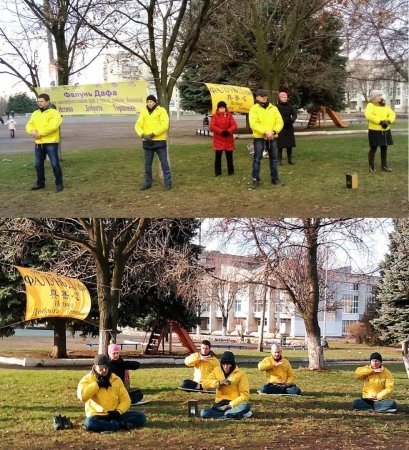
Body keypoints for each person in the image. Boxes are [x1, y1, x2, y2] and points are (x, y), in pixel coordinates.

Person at [77, 354, 147, 432]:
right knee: (89, 423)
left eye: (106, 368)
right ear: (94, 367)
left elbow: (126, 400)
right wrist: (97, 385)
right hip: (96, 415)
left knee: (141, 417)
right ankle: (119, 425)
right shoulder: (87, 379)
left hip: (114, 414)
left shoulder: (115, 379)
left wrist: (118, 411)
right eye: (101, 368)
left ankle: (110, 425)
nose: (104, 370)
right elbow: (83, 397)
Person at [25, 93, 63, 192]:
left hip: (51, 143)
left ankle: (59, 184)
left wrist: (40, 134)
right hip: (38, 143)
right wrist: (32, 132)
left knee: (54, 164)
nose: (39, 103)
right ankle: (40, 183)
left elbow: (53, 127)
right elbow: (29, 125)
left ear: (47, 101)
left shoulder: (54, 113)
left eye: (41, 101)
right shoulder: (35, 113)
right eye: (38, 101)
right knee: (38, 164)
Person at [135, 94, 172, 190]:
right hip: (147, 142)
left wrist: (153, 134)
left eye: (150, 101)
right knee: (147, 164)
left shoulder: (161, 110)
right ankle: (147, 182)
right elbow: (137, 125)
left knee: (164, 163)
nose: (149, 103)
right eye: (147, 102)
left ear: (155, 102)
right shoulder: (143, 112)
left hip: (159, 141)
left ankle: (168, 183)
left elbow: (165, 125)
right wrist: (143, 135)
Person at [200, 351, 252, 419]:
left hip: (233, 404)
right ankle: (231, 415)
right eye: (223, 364)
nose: (225, 367)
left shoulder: (241, 374)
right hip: (219, 405)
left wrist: (230, 405)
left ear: (232, 364)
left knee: (246, 406)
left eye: (228, 365)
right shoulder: (216, 370)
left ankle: (226, 414)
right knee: (204, 412)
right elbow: (204, 383)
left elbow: (245, 395)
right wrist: (219, 383)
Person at [249, 89, 284, 190]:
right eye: (261, 96)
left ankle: (275, 178)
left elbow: (280, 122)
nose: (263, 98)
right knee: (257, 159)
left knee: (273, 159)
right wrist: (265, 132)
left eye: (265, 96)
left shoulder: (274, 108)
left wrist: (273, 132)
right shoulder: (254, 109)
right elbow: (253, 124)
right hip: (259, 138)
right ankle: (255, 179)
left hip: (272, 137)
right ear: (257, 98)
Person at [364, 89, 396, 173]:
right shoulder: (370, 105)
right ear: (374, 97)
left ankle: (384, 166)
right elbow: (369, 115)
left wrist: (389, 121)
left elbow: (392, 114)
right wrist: (380, 122)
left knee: (384, 148)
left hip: (386, 130)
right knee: (373, 148)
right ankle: (371, 167)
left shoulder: (385, 105)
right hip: (374, 130)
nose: (380, 97)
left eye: (381, 95)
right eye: (378, 96)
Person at [209, 100, 238, 176]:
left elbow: (234, 125)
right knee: (218, 158)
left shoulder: (229, 115)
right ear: (218, 108)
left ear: (225, 108)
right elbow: (212, 126)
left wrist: (228, 131)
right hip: (218, 140)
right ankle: (218, 172)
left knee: (229, 157)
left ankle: (231, 172)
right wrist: (221, 131)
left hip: (228, 140)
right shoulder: (214, 116)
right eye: (220, 108)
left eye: (223, 108)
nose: (222, 109)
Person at [276, 92, 297, 165]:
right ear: (280, 98)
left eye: (285, 97)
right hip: (280, 128)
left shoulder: (290, 106)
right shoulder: (277, 107)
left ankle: (290, 160)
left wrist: (292, 120)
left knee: (289, 145)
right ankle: (279, 160)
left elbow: (294, 114)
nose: (285, 99)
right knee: (280, 145)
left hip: (289, 127)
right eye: (283, 97)